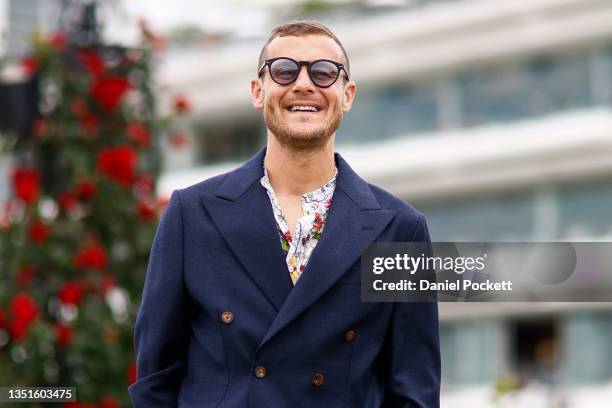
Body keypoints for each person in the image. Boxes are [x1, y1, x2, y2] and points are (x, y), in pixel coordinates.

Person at [128, 20, 440, 407]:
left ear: (348, 95)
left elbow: (414, 392)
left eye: (325, 73)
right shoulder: (192, 215)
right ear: (259, 91)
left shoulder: (400, 230)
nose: (304, 84)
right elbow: (156, 381)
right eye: (284, 71)